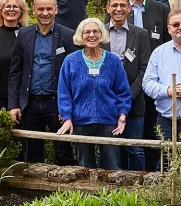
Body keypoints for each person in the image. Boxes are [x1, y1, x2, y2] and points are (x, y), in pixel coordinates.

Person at [8, 0, 76, 164]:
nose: (45, 13)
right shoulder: (23, 34)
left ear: (56, 10)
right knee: (31, 154)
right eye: (41, 9)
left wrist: (69, 108)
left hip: (57, 103)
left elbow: (74, 76)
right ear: (34, 10)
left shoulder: (68, 36)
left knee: (63, 152)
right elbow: (15, 72)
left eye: (49, 9)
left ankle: (65, 190)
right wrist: (13, 104)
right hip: (30, 103)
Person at [55, 17, 131, 169]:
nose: (91, 35)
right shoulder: (70, 61)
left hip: (108, 121)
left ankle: (113, 193)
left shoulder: (113, 61)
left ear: (101, 34)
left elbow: (123, 91)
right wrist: (67, 117)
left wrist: (122, 114)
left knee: (113, 166)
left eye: (96, 31)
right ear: (80, 36)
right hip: (81, 121)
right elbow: (64, 93)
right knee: (84, 167)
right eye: (87, 32)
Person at [104, 0, 154, 170]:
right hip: (106, 101)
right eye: (114, 5)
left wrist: (129, 95)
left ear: (129, 8)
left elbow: (144, 68)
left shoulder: (140, 34)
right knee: (109, 149)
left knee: (135, 149)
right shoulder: (98, 33)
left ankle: (137, 190)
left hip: (134, 101)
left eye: (122, 5)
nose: (118, 9)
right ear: (108, 8)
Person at [142, 8, 181, 141]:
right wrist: (169, 90)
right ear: (169, 28)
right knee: (165, 161)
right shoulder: (158, 53)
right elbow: (147, 83)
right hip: (166, 122)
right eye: (176, 25)